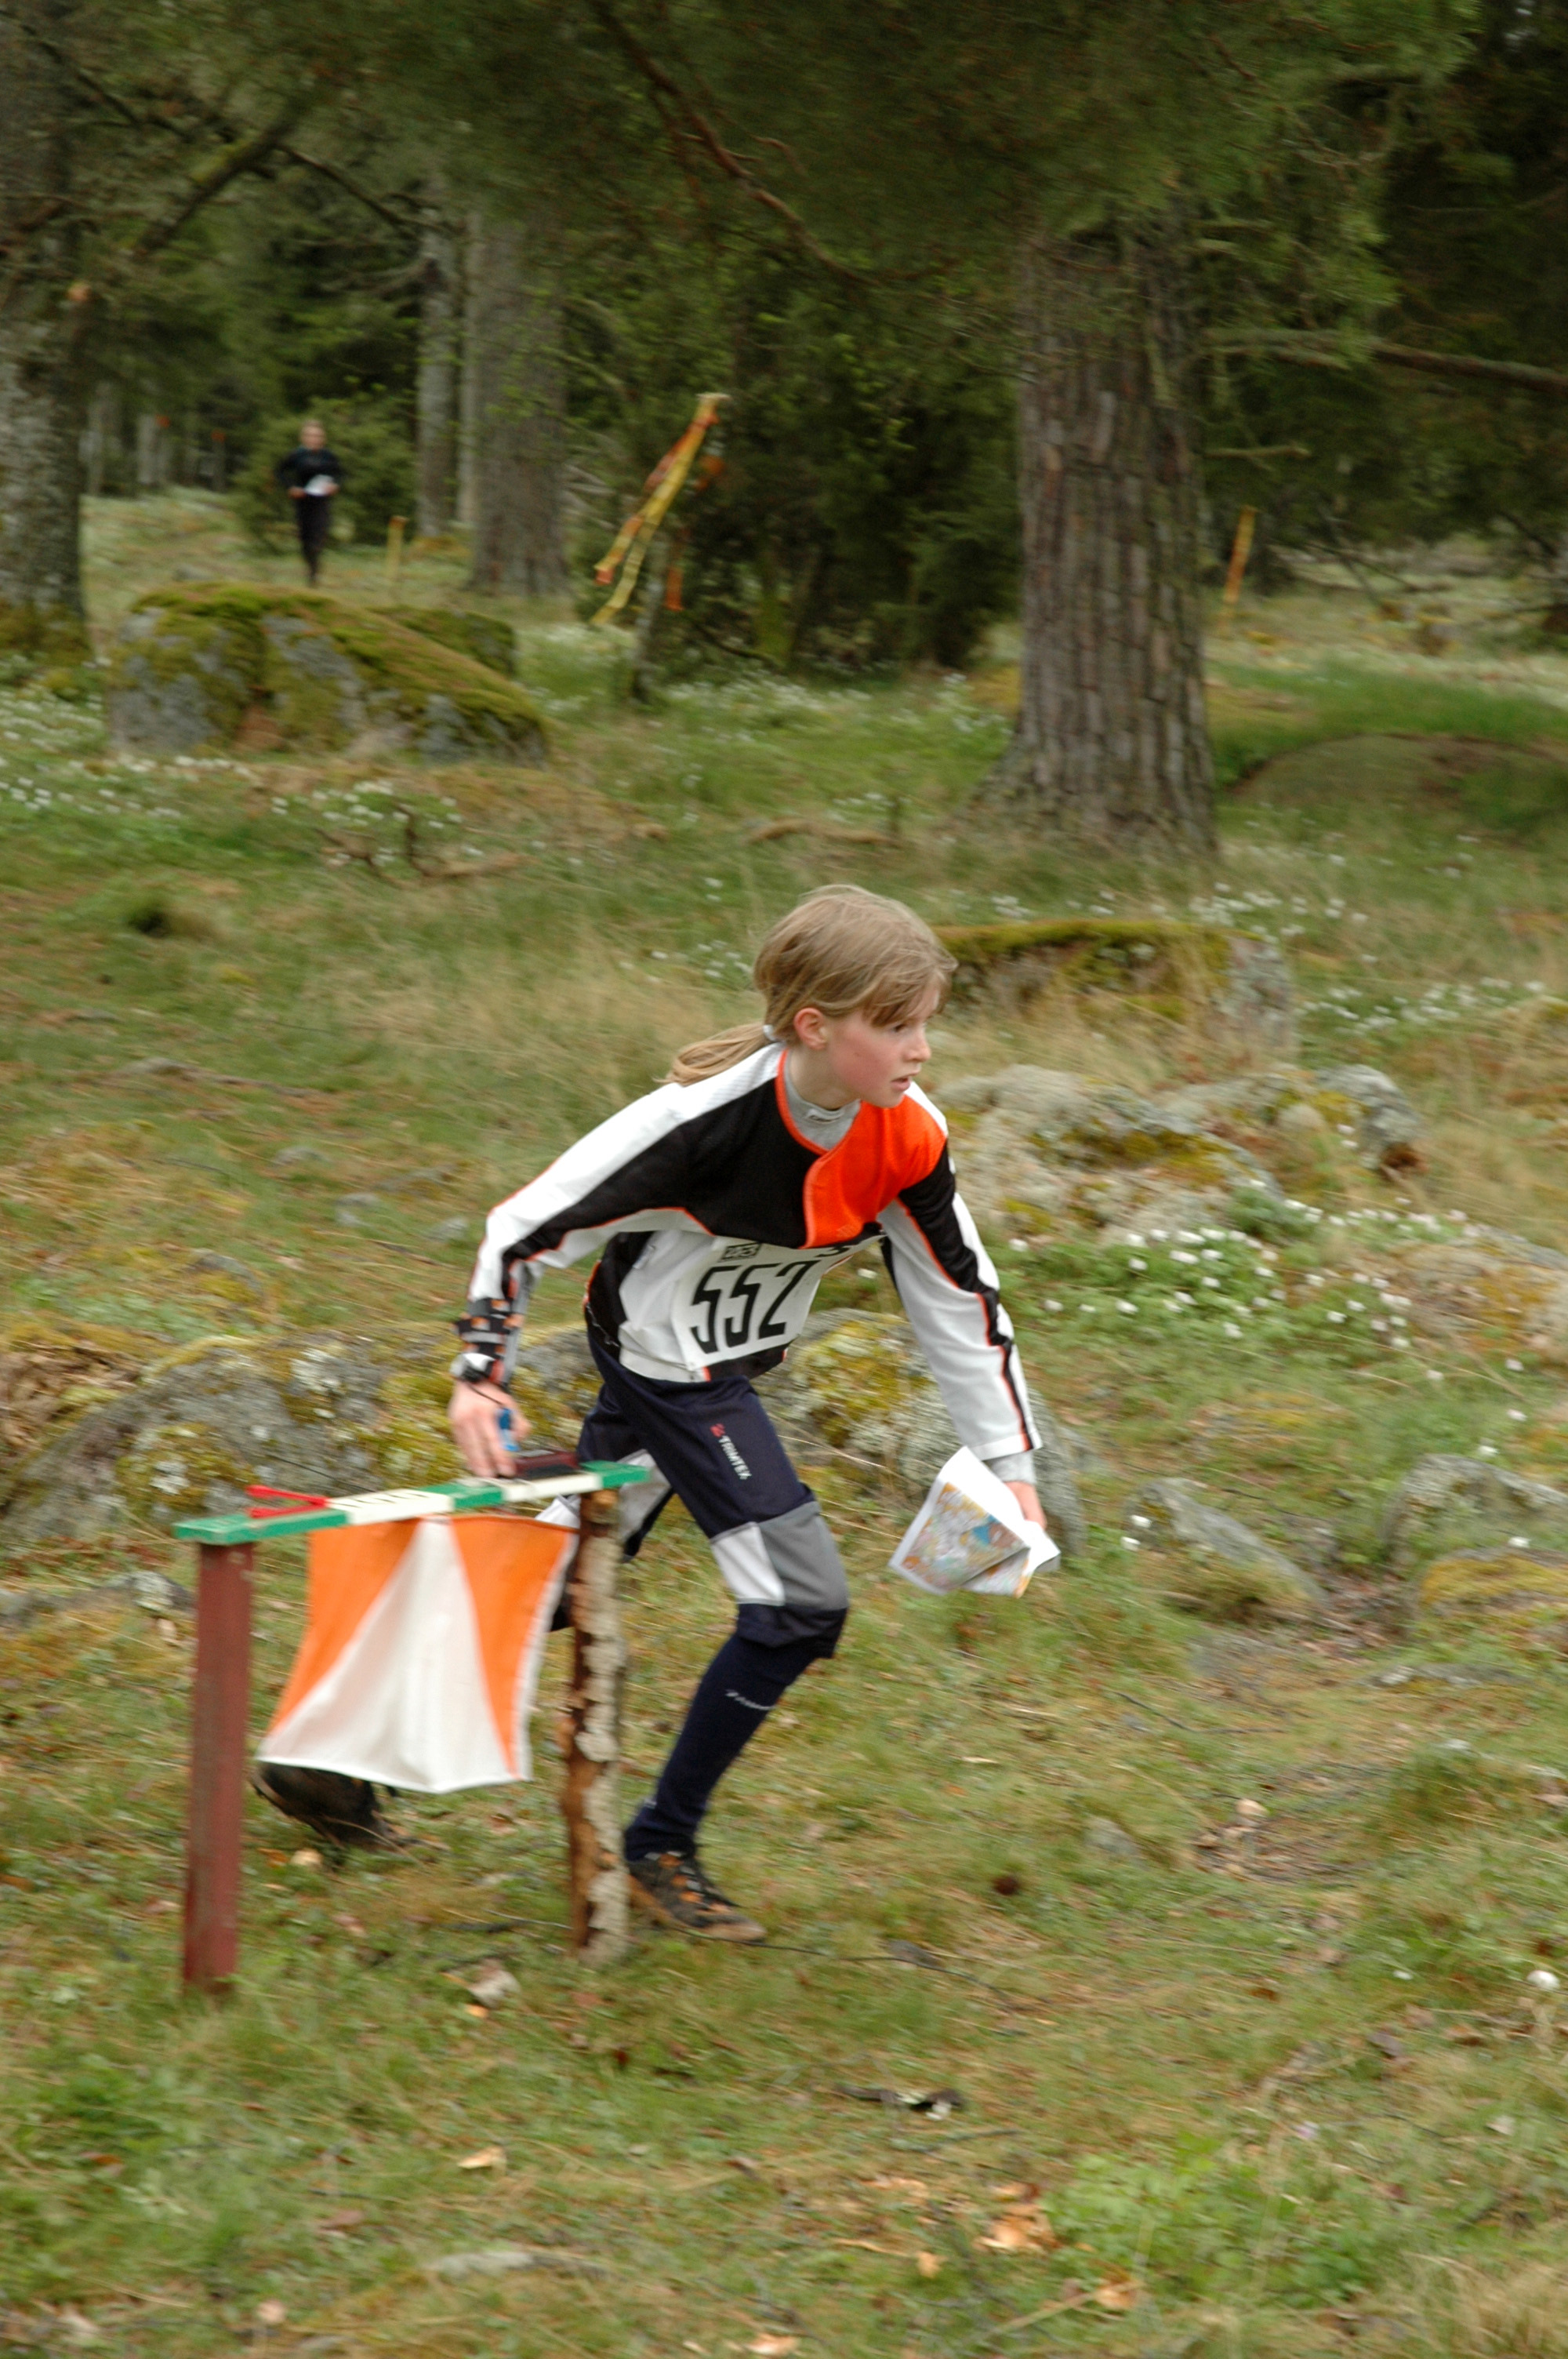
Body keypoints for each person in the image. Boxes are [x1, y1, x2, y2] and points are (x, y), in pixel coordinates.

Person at [445, 884, 1047, 1942]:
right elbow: (525, 1227)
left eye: (926, 1024)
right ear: (815, 1025)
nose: (921, 1050)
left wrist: (1010, 1466)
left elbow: (960, 1301)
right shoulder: (697, 1122)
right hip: (667, 1369)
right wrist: (481, 1376)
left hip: (719, 1366)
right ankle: (659, 1843)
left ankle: (333, 1763)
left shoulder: (906, 1134)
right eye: (896, 1026)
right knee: (801, 1603)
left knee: (567, 1580)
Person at [275, 417, 343, 585]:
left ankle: (314, 572)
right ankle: (311, 568)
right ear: (303, 438)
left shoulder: (328, 456)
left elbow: (340, 474)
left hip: (321, 502)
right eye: (310, 435)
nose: (314, 439)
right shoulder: (296, 455)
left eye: (317, 436)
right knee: (305, 538)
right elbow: (280, 471)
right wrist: (291, 487)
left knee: (318, 535)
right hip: (302, 501)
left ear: (323, 438)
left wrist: (335, 485)